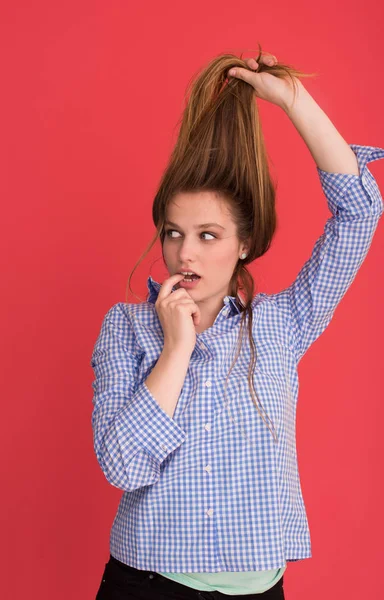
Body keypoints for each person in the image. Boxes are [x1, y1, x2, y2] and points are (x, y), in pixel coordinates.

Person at [90, 45, 384, 599]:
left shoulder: (282, 323)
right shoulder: (125, 328)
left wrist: (291, 98)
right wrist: (175, 350)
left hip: (258, 587)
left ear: (243, 244)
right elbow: (124, 466)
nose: (185, 254)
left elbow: (361, 212)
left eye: (209, 235)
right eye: (174, 233)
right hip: (148, 582)